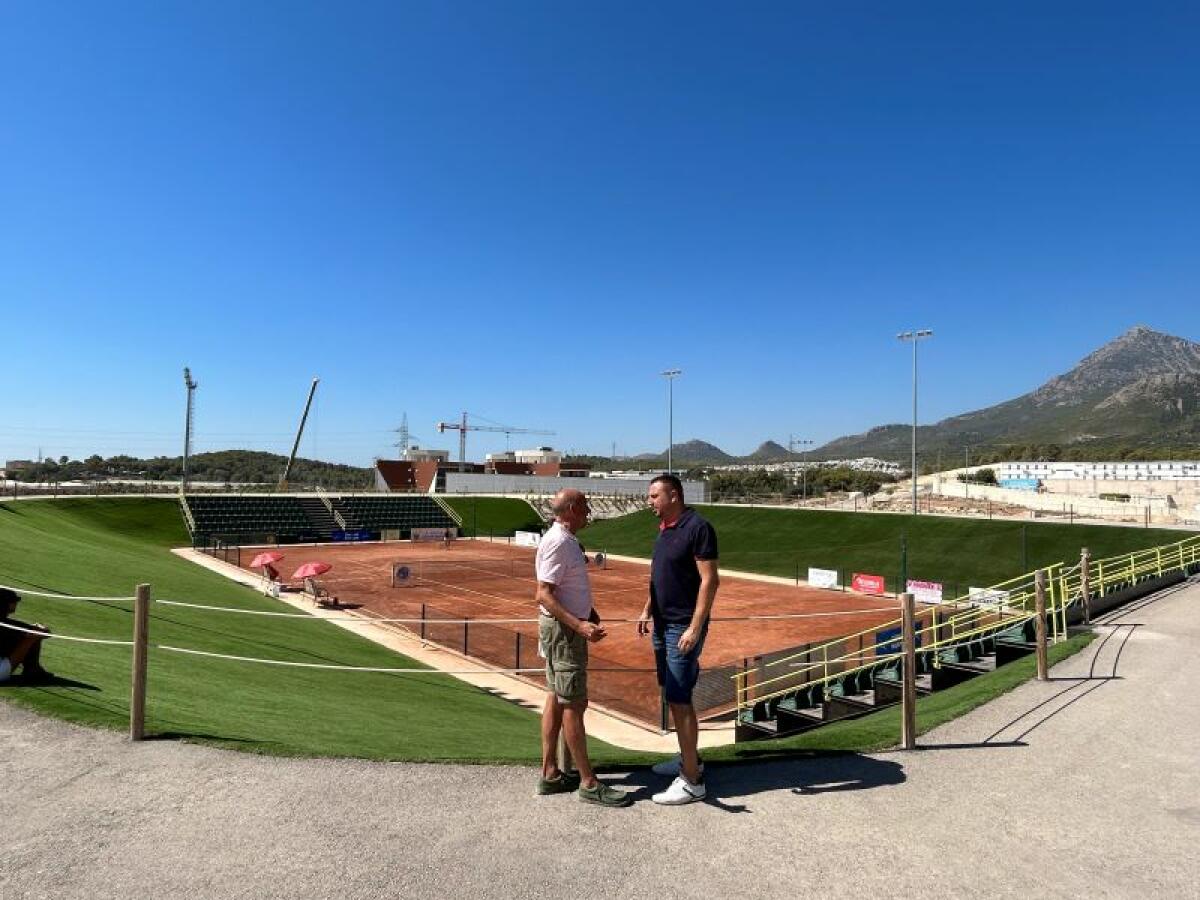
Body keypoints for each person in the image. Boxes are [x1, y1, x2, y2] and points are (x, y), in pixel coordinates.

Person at [535, 488, 630, 807]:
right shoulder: (559, 542)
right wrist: (579, 625)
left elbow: (566, 588)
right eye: (585, 506)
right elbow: (544, 594)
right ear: (572, 509)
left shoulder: (565, 539)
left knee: (556, 697)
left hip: (563, 630)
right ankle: (589, 783)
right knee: (574, 703)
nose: (589, 511)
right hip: (565, 634)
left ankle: (550, 773)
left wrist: (589, 612)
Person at [638, 474, 719, 805]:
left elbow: (710, 580)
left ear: (674, 496)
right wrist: (647, 609)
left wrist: (694, 627)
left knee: (680, 699)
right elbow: (660, 575)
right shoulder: (665, 530)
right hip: (661, 624)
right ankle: (689, 759)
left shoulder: (698, 528)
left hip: (680, 627)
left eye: (654, 496)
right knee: (672, 696)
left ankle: (692, 781)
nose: (649, 502)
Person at [0, 588, 54, 684]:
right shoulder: (8, 624)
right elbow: (45, 633)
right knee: (32, 637)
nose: (16, 604)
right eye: (14, 602)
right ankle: (33, 669)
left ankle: (33, 669)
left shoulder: (8, 624)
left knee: (26, 635)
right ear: (8, 604)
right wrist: (40, 628)